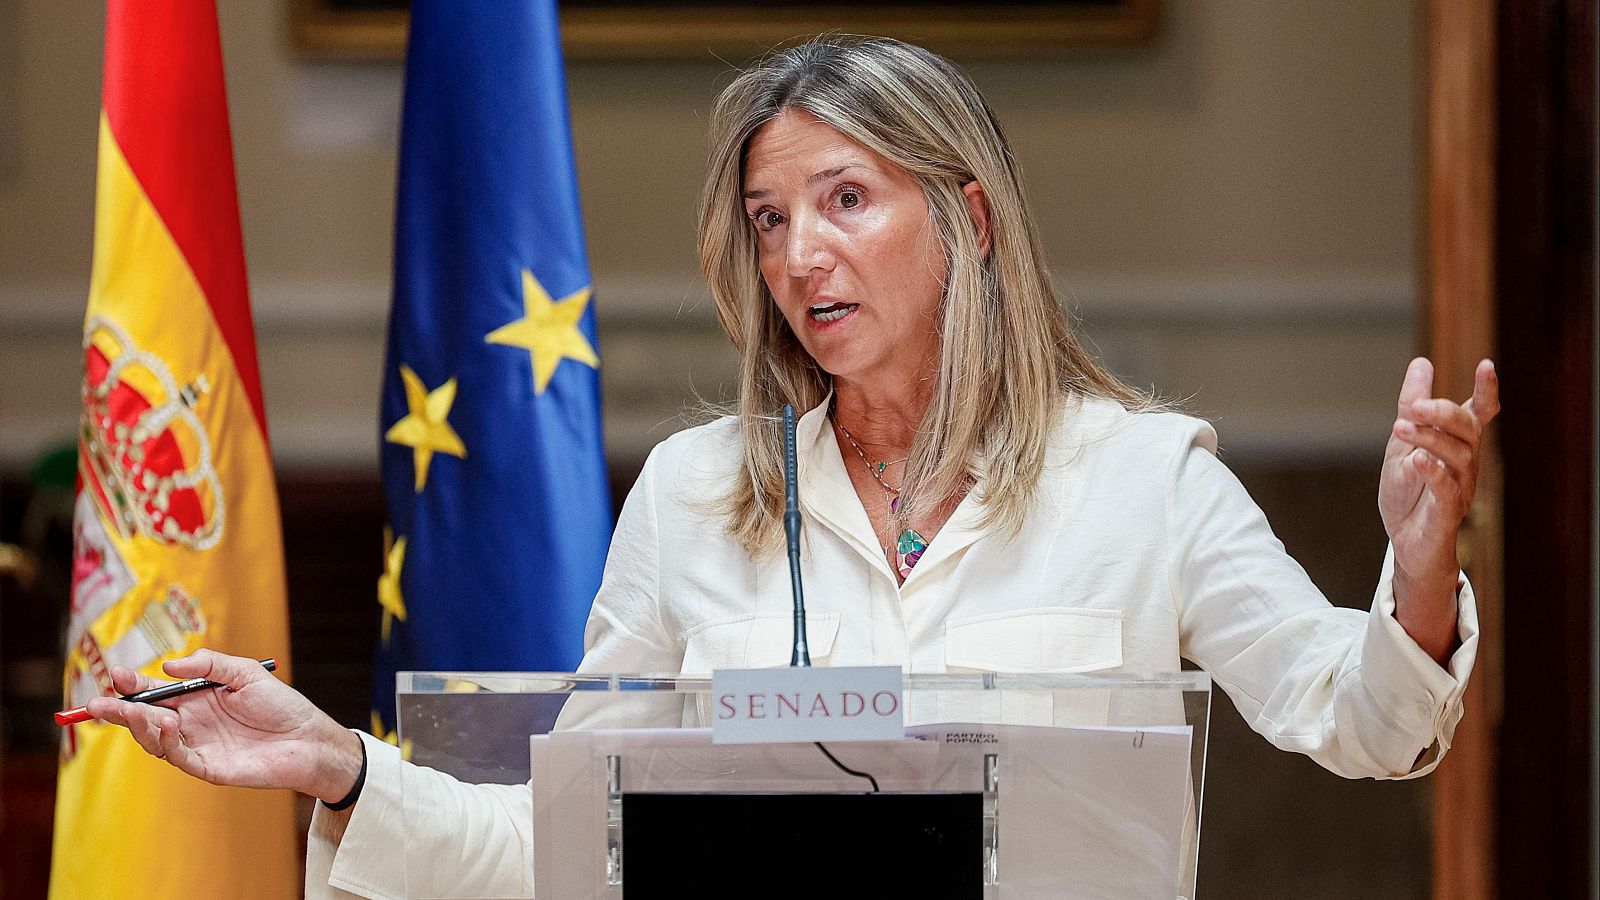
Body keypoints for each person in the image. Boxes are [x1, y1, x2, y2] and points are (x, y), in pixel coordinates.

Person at [87, 36, 1498, 898]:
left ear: (971, 220)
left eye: (844, 201)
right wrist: (335, 768)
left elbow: (1364, 721)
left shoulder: (1146, 479)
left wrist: (1420, 564)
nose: (799, 256)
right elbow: (567, 857)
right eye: (769, 219)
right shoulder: (695, 494)